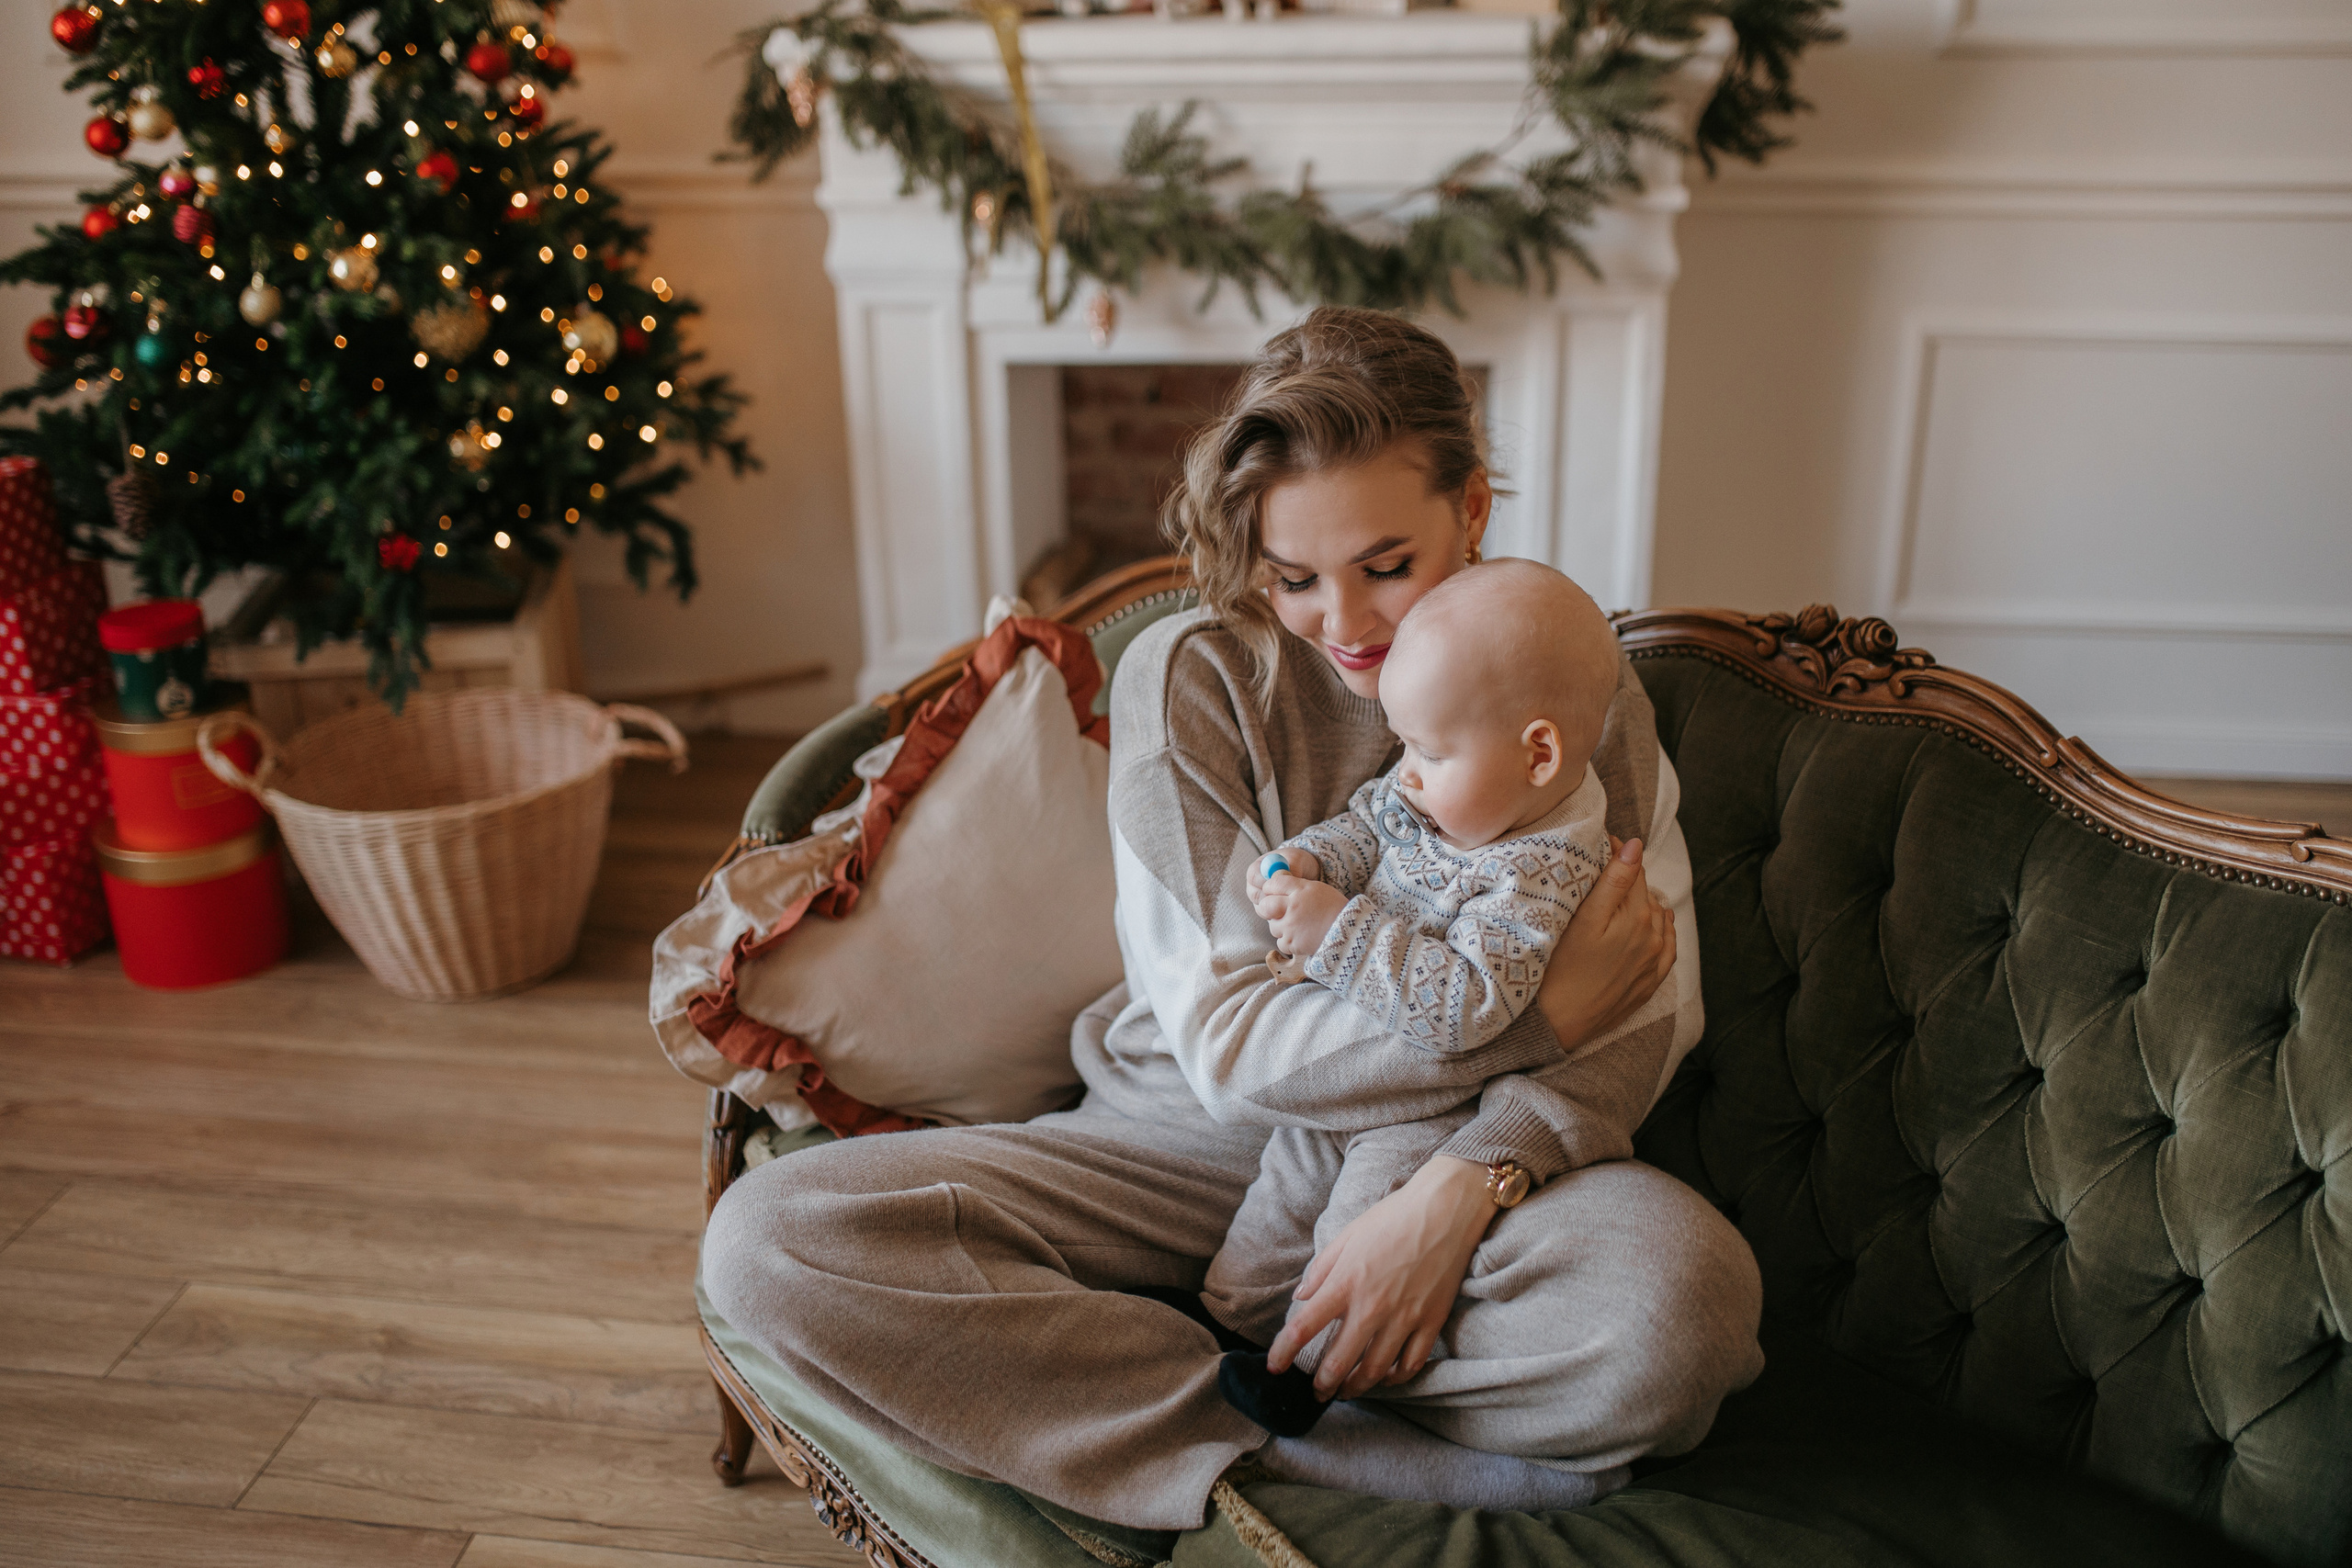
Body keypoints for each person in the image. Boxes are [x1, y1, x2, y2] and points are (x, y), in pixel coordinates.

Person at [701, 305, 1763, 1532]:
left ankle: (1222, 1398)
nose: (1347, 623)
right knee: (771, 1242)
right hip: (1183, 1143)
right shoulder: (1190, 677)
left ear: (1471, 509)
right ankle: (1302, 1446)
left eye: (1388, 562)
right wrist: (1535, 1022)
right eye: (1295, 576)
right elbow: (1232, 1047)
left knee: (1682, 1308)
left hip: (1461, 1151)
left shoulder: (1569, 682)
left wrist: (1461, 1189)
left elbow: (1646, 1001)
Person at [1207, 559, 1674, 1441]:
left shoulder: (1542, 873)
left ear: (1540, 752)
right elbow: (1370, 821)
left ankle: (1313, 1377)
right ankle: (1232, 1321)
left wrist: (1333, 930)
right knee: (1282, 1186)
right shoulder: (1452, 791)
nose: (1407, 774)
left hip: (1439, 1110)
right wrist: (1312, 862)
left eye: (1428, 750)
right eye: (1403, 744)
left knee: (1358, 1226)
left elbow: (1465, 1008)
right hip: (1370, 1062)